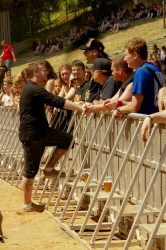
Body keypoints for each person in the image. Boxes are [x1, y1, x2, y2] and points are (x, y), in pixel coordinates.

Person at [19, 60, 85, 212]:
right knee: (30, 170)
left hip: (42, 132)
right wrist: (79, 107)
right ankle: (27, 205)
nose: (47, 73)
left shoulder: (34, 88)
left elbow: (57, 100)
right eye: (43, 71)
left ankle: (49, 168)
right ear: (35, 73)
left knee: (67, 139)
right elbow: (57, 101)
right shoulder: (34, 89)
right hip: (33, 135)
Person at [111, 37, 165, 120]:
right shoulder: (156, 69)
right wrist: (119, 103)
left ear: (135, 55)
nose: (125, 59)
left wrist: (119, 110)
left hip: (147, 122)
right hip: (157, 120)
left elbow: (134, 106)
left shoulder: (141, 72)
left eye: (126, 55)